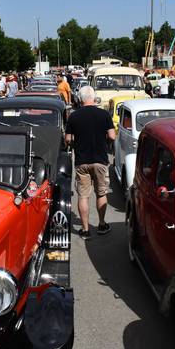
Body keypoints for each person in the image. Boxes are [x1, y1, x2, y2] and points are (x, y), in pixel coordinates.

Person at [65, 86, 115, 240]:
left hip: (82, 161)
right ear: (94, 98)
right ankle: (101, 224)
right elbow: (112, 136)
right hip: (100, 159)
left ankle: (86, 230)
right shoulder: (104, 114)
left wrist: (76, 143)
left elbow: (68, 139)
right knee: (101, 193)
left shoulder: (74, 116)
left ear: (80, 99)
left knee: (83, 196)